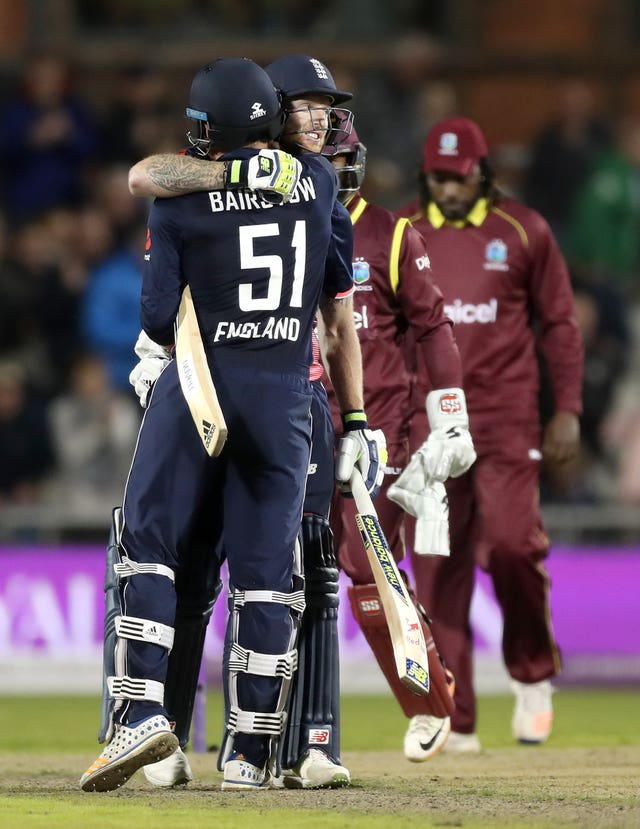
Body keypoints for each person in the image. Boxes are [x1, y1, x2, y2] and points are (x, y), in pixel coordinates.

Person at [83, 56, 381, 793]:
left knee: (148, 544)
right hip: (284, 399)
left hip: (201, 387)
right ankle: (250, 753)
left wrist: (219, 192)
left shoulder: (180, 199)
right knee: (266, 577)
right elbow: (335, 305)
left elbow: (156, 313)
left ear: (207, 128)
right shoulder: (316, 185)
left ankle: (141, 712)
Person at [395, 116, 584, 751]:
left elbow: (559, 322)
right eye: (438, 177)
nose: (448, 188)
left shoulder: (523, 231)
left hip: (505, 416)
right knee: (435, 567)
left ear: (483, 172)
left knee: (509, 545)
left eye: (459, 176)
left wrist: (569, 410)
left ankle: (533, 675)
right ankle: (457, 714)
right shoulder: (403, 234)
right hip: (429, 422)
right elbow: (385, 335)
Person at [319, 126, 476, 762]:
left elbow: (433, 326)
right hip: (294, 423)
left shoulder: (389, 234)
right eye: (319, 161)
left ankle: (428, 701)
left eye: (339, 160)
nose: (331, 172)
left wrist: (450, 417)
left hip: (375, 430)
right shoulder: (280, 226)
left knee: (365, 571)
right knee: (284, 577)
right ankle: (273, 728)